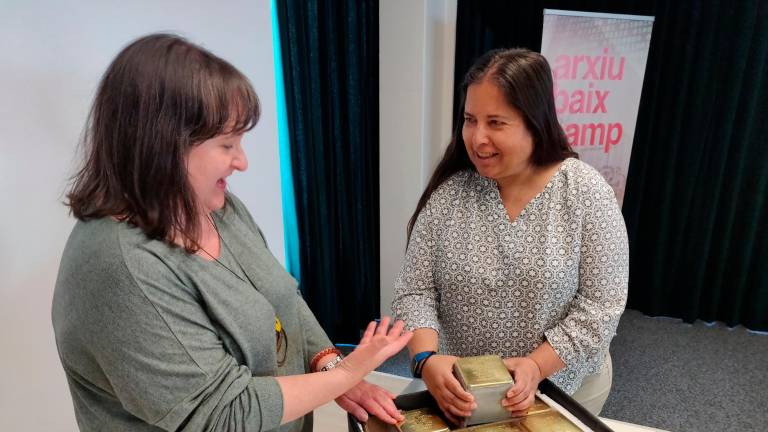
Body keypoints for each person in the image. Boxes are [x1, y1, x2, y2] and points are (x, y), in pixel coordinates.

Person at [52, 33, 411, 432]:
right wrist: (344, 377)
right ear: (163, 145)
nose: (241, 161)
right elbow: (223, 414)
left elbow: (283, 301)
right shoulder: (123, 268)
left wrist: (330, 364)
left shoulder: (216, 208)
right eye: (227, 144)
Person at [391, 48, 628, 423]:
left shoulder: (585, 193)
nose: (477, 138)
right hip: (462, 390)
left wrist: (536, 366)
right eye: (470, 120)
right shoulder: (451, 194)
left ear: (535, 122)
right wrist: (425, 359)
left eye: (496, 123)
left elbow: (602, 307)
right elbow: (415, 289)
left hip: (560, 385)